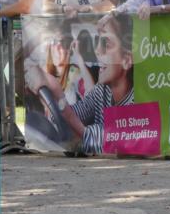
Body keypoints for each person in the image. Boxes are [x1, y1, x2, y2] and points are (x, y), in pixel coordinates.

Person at [26, 12, 134, 154]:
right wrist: (50, 96)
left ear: (127, 60)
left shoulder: (135, 103)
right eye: (97, 42)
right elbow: (72, 116)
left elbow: (91, 137)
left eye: (106, 44)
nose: (97, 51)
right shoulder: (102, 91)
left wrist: (58, 95)